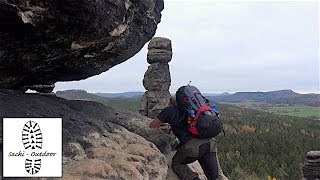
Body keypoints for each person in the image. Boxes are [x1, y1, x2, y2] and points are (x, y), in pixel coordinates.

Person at [150, 96, 228, 180]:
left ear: (170, 103)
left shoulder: (169, 110)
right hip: (210, 143)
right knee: (214, 175)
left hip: (193, 147)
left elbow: (153, 125)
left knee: (177, 163)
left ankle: (193, 178)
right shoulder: (193, 110)